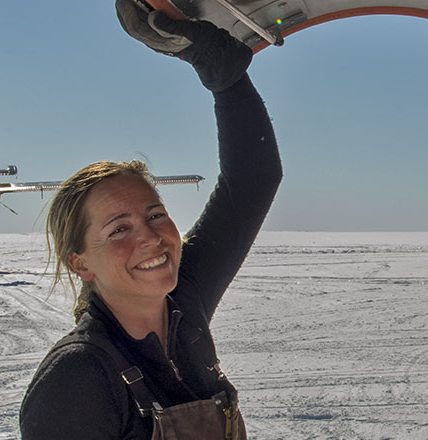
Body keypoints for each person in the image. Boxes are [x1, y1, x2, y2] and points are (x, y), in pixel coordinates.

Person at [19, 4, 280, 439]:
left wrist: (228, 80)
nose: (151, 237)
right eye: (118, 229)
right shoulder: (76, 378)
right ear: (81, 263)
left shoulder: (185, 303)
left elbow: (253, 181)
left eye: (155, 214)